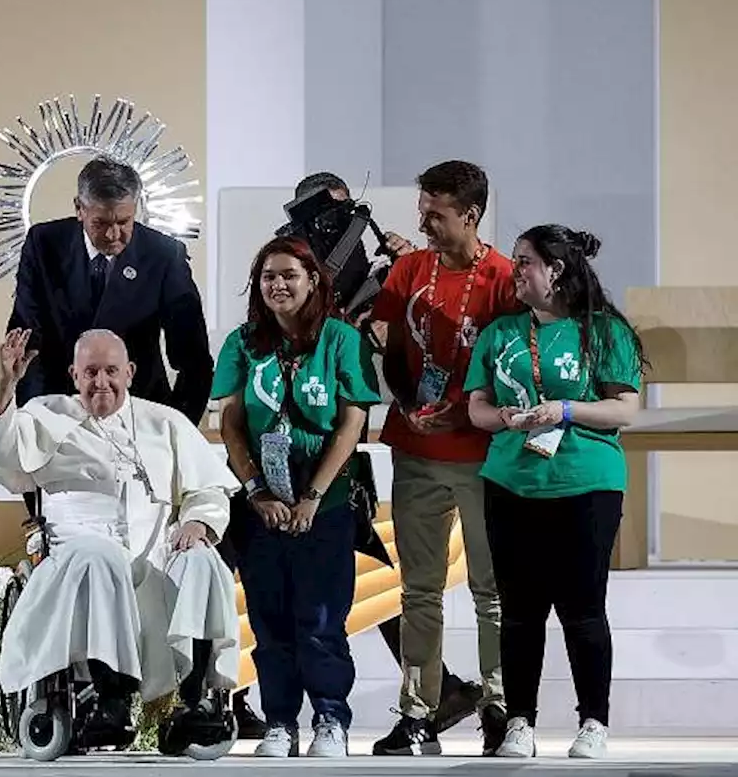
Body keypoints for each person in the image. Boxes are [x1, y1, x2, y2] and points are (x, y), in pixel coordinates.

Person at [267, 171, 483, 737]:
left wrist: (398, 280)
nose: (344, 229)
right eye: (331, 217)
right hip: (288, 443)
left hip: (341, 446)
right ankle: (442, 691)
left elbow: (391, 350)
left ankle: (444, 694)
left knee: (361, 565)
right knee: (304, 568)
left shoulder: (389, 273)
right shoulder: (290, 268)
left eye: (346, 215)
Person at [0, 328, 241, 752]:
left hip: (154, 564)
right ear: (74, 374)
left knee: (203, 560)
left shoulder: (164, 422)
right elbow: (0, 454)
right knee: (102, 557)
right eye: (91, 372)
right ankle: (109, 700)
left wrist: (198, 524)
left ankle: (193, 704)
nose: (102, 382)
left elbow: (207, 491)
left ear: (131, 372)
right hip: (76, 564)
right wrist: (7, 382)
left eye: (112, 371)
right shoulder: (46, 414)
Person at [465, 225, 645, 760]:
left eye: (524, 262)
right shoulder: (501, 333)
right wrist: (502, 417)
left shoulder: (605, 331)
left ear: (556, 270)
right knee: (519, 610)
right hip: (510, 482)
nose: (514, 271)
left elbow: (625, 408)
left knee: (583, 608)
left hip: (586, 483)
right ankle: (519, 721)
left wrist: (563, 410)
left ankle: (594, 722)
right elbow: (476, 406)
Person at [366, 160, 518, 756]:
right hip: (416, 449)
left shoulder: (504, 277)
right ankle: (418, 712)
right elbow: (382, 334)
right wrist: (375, 336)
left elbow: (513, 365)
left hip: (483, 454)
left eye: (436, 212)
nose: (424, 222)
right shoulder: (408, 268)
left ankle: (501, 708)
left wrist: (467, 409)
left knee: (492, 589)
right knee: (419, 591)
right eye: (422, 209)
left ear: (471, 215)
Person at [211, 236, 380, 758]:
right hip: (262, 506)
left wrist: (312, 495)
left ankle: (331, 718)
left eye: (289, 275)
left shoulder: (340, 340)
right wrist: (257, 490)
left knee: (322, 619)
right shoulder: (243, 343)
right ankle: (281, 720)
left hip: (324, 505)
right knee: (269, 619)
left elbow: (353, 421)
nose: (278, 285)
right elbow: (232, 422)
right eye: (268, 277)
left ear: (313, 281)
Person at [6, 155, 213, 423]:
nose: (114, 235)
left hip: (139, 411)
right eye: (101, 223)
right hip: (58, 410)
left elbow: (193, 357)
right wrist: (33, 415)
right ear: (80, 208)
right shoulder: (43, 244)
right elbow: (28, 337)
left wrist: (177, 427)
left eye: (124, 222)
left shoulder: (164, 255)